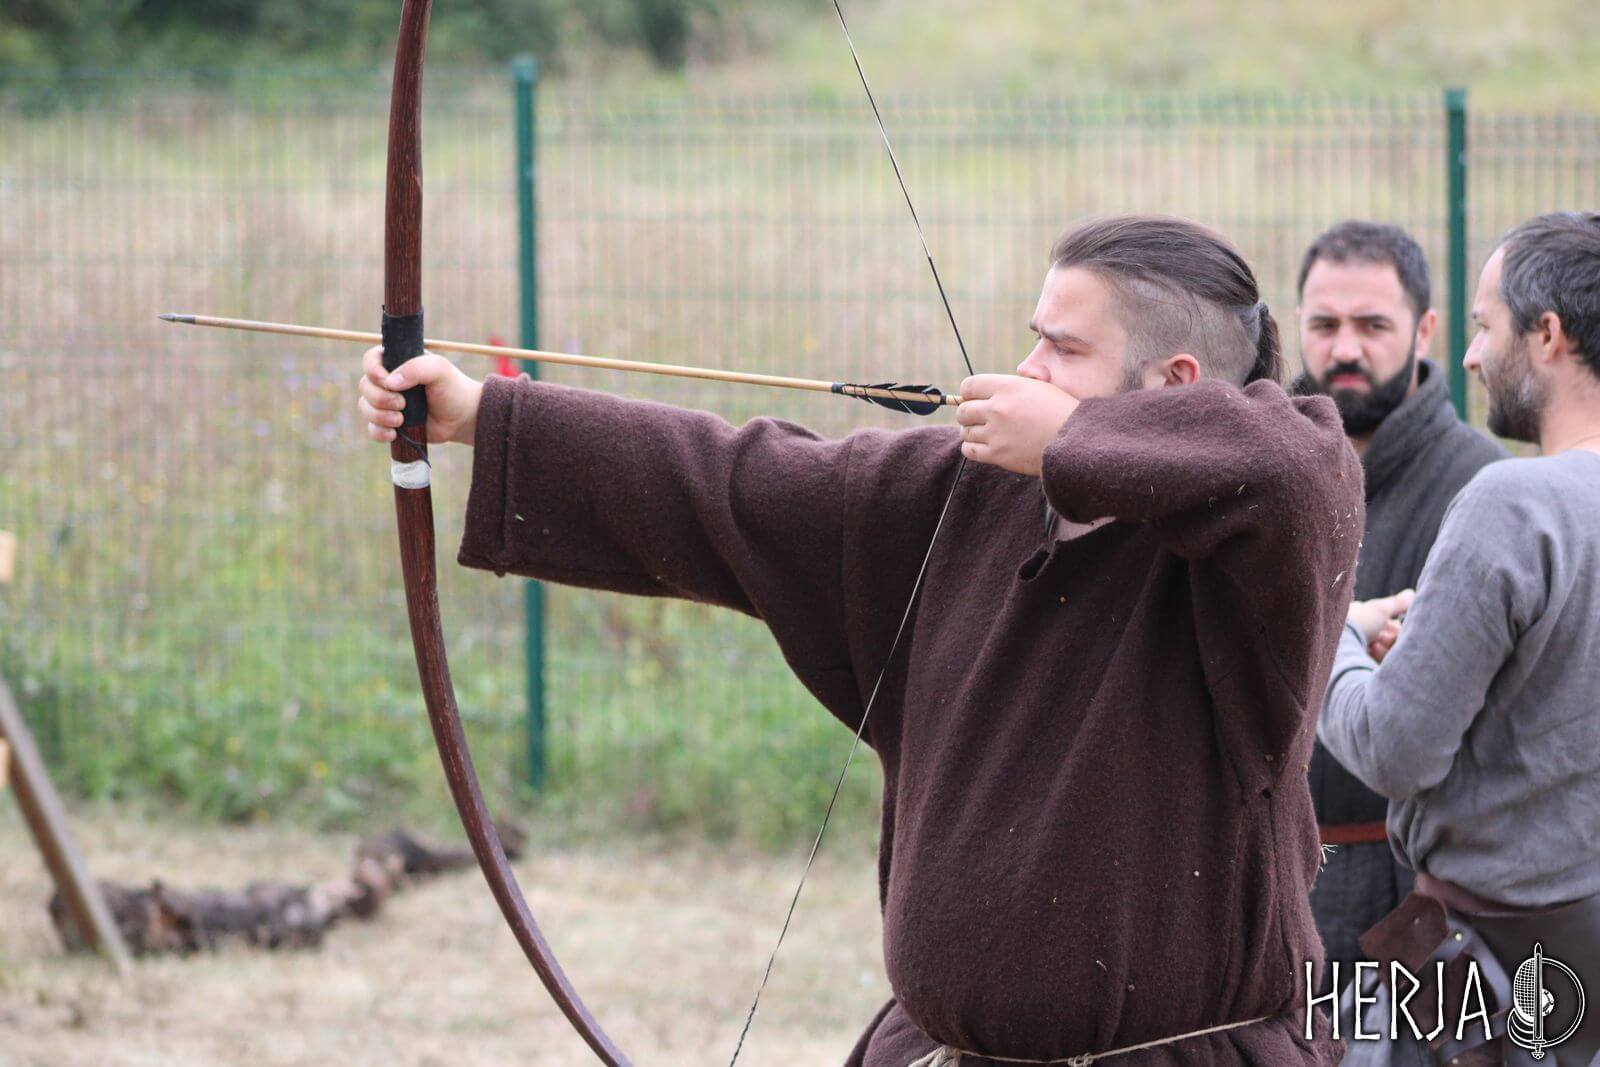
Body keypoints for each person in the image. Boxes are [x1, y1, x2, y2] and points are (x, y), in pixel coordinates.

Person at [359, 215, 1360, 1066]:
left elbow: (1295, 467)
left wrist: (1070, 440)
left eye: (1062, 350)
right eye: (1033, 339)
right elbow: (732, 483)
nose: (1023, 372)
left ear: (1175, 384)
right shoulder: (961, 496)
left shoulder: (1251, 566)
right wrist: (483, 415)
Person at [1319, 212, 1600, 1065]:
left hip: (1486, 989)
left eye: (1485, 325)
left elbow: (1394, 748)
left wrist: (1332, 637)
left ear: (1547, 334)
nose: (1472, 357)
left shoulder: (1513, 505)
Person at [1290, 221, 1506, 993]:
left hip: (1415, 896)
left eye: (1372, 325)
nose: (1345, 348)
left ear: (1425, 329)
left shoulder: (1482, 486)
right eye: (1324, 325)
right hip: (1268, 881)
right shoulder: (1263, 473)